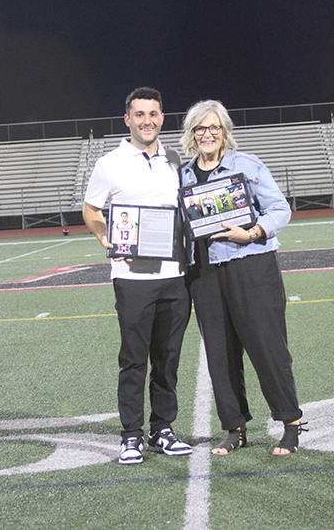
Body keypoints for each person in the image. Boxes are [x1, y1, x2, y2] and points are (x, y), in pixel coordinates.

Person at [179, 99, 305, 456]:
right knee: (220, 353)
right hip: (203, 272)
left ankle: (290, 424)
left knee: (267, 347)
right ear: (191, 134)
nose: (207, 134)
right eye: (200, 129)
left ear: (224, 132)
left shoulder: (247, 165)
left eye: (214, 128)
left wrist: (250, 233)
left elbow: (280, 209)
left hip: (250, 264)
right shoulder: (183, 174)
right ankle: (235, 428)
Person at [83, 87, 192, 465]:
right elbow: (92, 208)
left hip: (174, 274)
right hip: (131, 278)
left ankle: (163, 429)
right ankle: (131, 434)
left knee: (168, 358)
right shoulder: (109, 163)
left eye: (154, 113)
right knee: (134, 359)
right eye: (140, 114)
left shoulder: (176, 159)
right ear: (127, 119)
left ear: (162, 118)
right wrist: (104, 236)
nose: (147, 120)